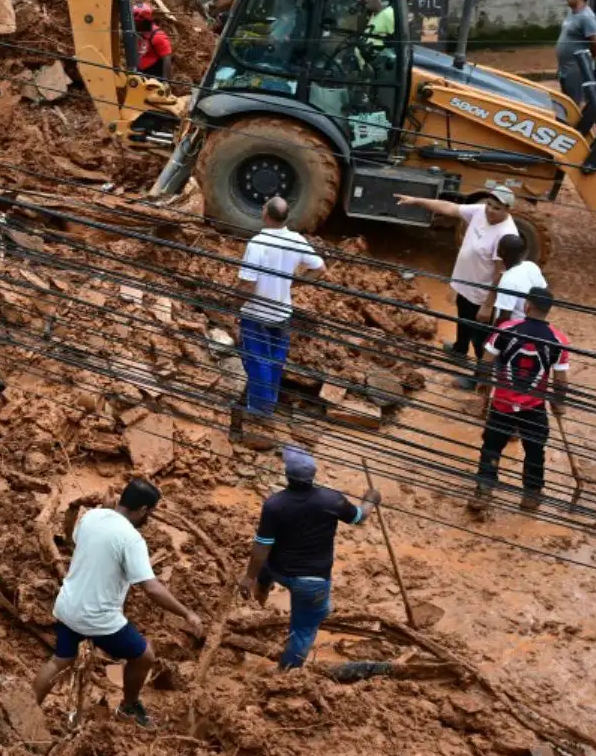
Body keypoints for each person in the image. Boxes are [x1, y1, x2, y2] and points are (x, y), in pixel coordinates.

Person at [32, 478, 203, 727]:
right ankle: (129, 706)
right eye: (151, 513)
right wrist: (187, 613)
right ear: (143, 510)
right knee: (145, 656)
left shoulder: (93, 516)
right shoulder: (131, 539)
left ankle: (27, 710)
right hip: (97, 618)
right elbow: (151, 588)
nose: (149, 518)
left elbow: (72, 538)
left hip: (68, 606)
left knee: (59, 660)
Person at [238, 447, 380, 669]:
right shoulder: (332, 500)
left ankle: (258, 608)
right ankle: (288, 675)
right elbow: (359, 518)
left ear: (287, 476)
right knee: (303, 630)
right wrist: (370, 500)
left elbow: (261, 547)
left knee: (264, 574)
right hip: (311, 582)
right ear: (313, 476)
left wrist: (249, 577)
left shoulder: (274, 504)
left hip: (278, 569)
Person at [394, 190, 518, 387]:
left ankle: (479, 378)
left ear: (508, 210)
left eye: (497, 208)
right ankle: (460, 349)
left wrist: (488, 305)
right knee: (462, 316)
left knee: (480, 339)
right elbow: (449, 208)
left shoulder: (507, 234)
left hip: (481, 295)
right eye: (489, 205)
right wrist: (416, 199)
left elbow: (499, 274)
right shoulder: (479, 211)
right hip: (465, 283)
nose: (490, 210)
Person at [471, 287, 570, 513]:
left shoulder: (505, 329)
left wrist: (483, 383)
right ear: (548, 310)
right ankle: (531, 495)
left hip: (502, 404)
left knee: (492, 447)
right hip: (534, 407)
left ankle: (484, 490)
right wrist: (558, 402)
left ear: (527, 306)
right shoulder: (559, 340)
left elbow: (486, 362)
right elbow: (561, 381)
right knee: (535, 451)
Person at [234, 197, 325, 441]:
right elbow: (319, 267)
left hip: (257, 314)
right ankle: (269, 403)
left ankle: (259, 410)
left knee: (257, 360)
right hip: (283, 312)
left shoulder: (258, 244)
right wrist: (297, 283)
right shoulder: (296, 240)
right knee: (275, 360)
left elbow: (247, 284)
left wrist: (232, 305)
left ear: (266, 215)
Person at [554, 0, 596, 104]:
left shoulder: (587, 17)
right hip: (565, 67)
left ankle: (579, 123)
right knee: (567, 101)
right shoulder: (572, 13)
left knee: (575, 102)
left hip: (577, 68)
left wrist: (589, 59)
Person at [479, 233, 546, 325]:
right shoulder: (532, 266)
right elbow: (543, 292)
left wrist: (494, 335)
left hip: (514, 328)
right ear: (524, 253)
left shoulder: (508, 280)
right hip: (532, 324)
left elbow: (504, 317)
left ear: (499, 252)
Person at [133, 4, 173, 81]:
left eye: (136, 22)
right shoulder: (138, 32)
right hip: (140, 72)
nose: (134, 24)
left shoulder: (158, 36)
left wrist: (165, 82)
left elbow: (167, 60)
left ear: (144, 21)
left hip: (154, 76)